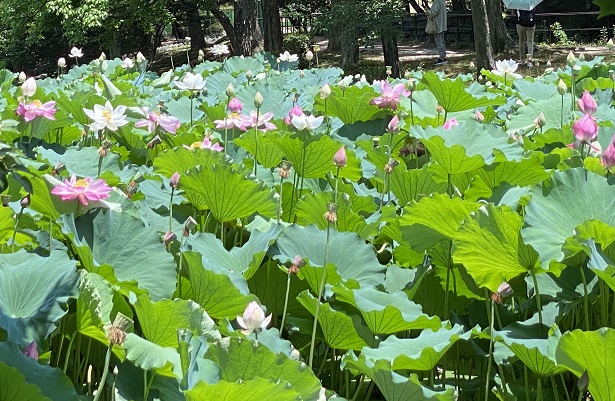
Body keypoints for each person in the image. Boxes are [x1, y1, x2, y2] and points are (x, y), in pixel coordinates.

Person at [424, 0, 448, 65]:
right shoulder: (442, 1)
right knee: (441, 41)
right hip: (442, 24)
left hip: (437, 25)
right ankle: (443, 57)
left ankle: (442, 58)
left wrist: (427, 11)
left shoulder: (437, 1)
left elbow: (434, 13)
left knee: (439, 41)